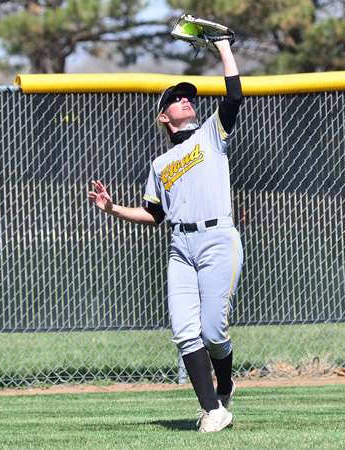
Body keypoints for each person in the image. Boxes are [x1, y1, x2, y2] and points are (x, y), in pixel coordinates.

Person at [87, 39, 242, 433]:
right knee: (184, 331)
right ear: (163, 116)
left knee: (213, 332)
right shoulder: (159, 164)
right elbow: (154, 214)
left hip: (217, 239)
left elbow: (234, 96)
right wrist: (112, 208)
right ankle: (213, 411)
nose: (185, 100)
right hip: (180, 247)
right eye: (175, 99)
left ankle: (225, 385)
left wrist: (223, 48)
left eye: (188, 97)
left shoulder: (210, 135)